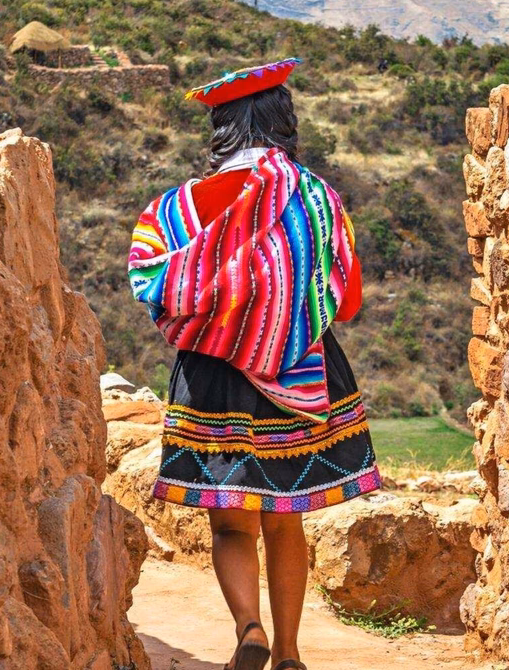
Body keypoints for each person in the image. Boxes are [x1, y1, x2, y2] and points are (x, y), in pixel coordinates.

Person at [127, 58, 382, 670]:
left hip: (211, 379)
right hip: (302, 372)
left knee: (231, 525)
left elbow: (151, 280)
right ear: (284, 124)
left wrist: (226, 317)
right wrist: (284, 314)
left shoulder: (176, 208)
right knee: (284, 520)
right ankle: (292, 654)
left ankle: (250, 631)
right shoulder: (318, 200)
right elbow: (346, 301)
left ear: (220, 130)